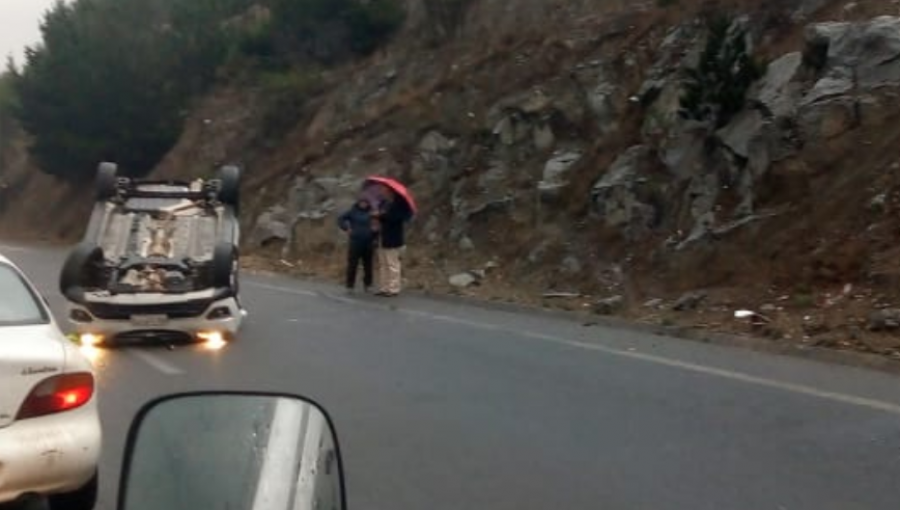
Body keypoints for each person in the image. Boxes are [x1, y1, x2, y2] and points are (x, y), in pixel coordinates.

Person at [372, 187, 411, 297]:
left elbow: (393, 218)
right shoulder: (384, 204)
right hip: (382, 238)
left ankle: (394, 288)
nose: (384, 194)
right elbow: (383, 218)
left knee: (392, 264)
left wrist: (380, 215)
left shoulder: (399, 206)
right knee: (383, 265)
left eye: (387, 192)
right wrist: (378, 216)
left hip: (393, 239)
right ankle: (384, 287)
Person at [337, 196, 377, 292]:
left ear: (368, 203)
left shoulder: (372, 213)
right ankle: (350, 285)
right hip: (355, 241)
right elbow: (340, 219)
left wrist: (375, 235)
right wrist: (346, 228)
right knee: (352, 264)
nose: (363, 204)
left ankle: (368, 284)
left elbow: (377, 225)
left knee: (368, 265)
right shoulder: (353, 211)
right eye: (362, 202)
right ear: (358, 203)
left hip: (368, 241)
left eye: (365, 202)